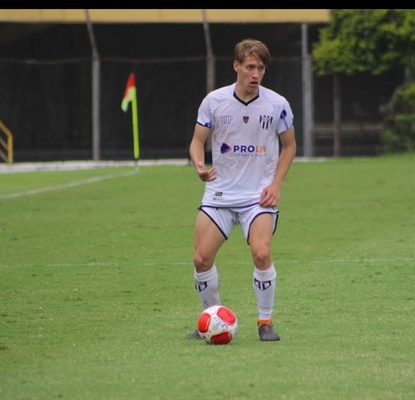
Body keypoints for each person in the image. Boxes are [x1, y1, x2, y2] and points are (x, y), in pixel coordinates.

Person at [186, 38, 297, 342]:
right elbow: (198, 140)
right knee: (201, 259)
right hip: (219, 195)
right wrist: (198, 165)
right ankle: (211, 319)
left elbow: (289, 146)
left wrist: (275, 185)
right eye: (250, 67)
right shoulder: (214, 101)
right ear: (236, 66)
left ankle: (265, 321)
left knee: (261, 254)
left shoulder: (277, 105)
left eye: (260, 68)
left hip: (257, 198)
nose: (255, 73)